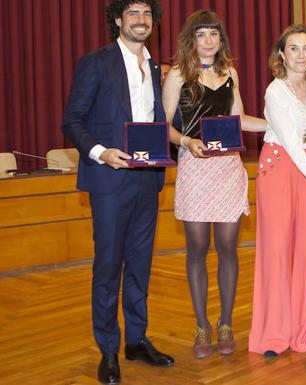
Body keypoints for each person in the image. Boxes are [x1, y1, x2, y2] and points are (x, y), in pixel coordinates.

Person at [61, 1, 174, 384]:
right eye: (133, 15)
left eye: (147, 15)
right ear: (117, 21)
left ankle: (137, 339)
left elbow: (155, 118)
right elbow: (72, 121)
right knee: (108, 266)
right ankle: (108, 349)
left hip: (148, 178)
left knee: (140, 266)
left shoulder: (155, 66)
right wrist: (101, 152)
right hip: (109, 180)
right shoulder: (96, 62)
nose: (141, 21)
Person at [161, 9, 266, 359]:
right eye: (202, 34)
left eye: (214, 34)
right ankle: (201, 325)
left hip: (227, 170)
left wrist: (280, 124)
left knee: (226, 248)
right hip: (194, 167)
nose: (208, 41)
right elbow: (164, 127)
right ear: (191, 39)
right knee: (196, 249)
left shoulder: (230, 72)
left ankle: (225, 323)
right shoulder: (177, 75)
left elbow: (240, 120)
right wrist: (187, 142)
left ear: (221, 39)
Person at [248, 24, 306, 357]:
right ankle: (272, 335)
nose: (301, 55)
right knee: (276, 252)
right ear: (281, 54)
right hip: (279, 167)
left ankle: (300, 333)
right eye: (294, 48)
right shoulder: (275, 91)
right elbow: (290, 143)